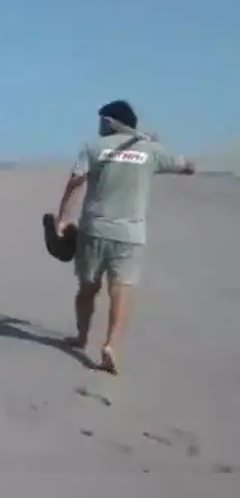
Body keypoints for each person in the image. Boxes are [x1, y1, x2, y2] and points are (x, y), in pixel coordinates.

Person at [55, 100, 195, 375]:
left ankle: (82, 337)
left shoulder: (93, 147)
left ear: (109, 123)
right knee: (120, 290)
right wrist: (158, 146)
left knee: (87, 288)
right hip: (129, 235)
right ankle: (111, 346)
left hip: (94, 230)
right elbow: (187, 167)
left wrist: (63, 217)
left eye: (100, 121)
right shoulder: (150, 150)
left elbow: (75, 183)